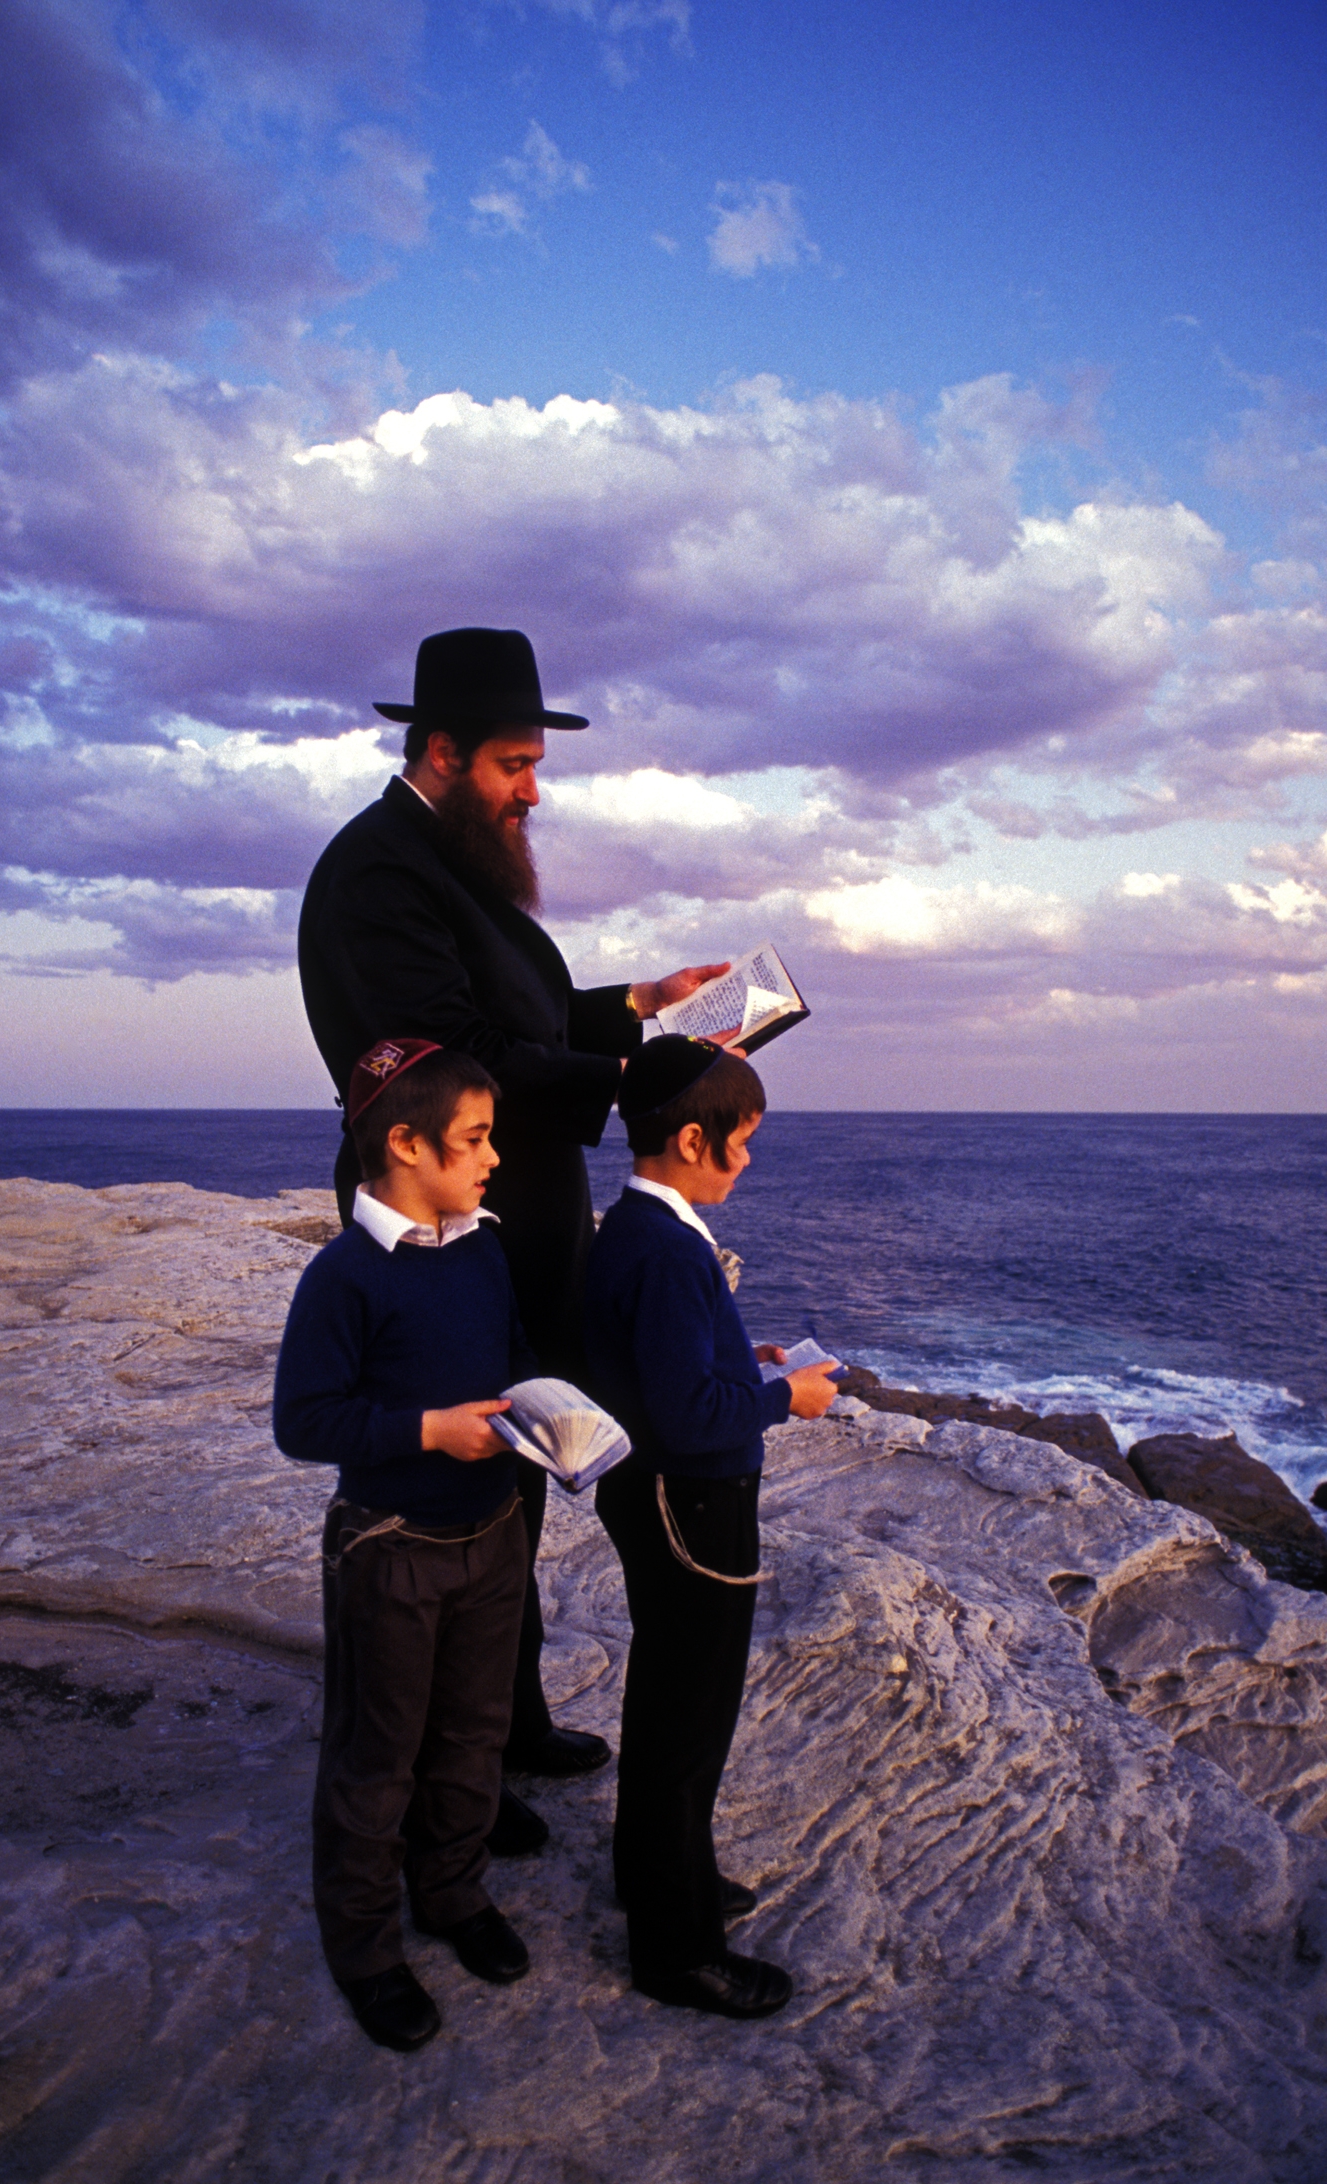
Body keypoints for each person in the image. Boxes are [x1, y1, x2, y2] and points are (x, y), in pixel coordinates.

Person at [297, 626, 728, 1846]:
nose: (532, 789)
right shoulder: (381, 876)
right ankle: (456, 1773)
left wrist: (636, 1004)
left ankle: (505, 1719)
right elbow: (457, 1058)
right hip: (445, 1236)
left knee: (517, 1476)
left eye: (535, 763)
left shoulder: (446, 860)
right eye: (513, 764)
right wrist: (650, 1071)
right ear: (440, 751)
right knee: (453, 1492)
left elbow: (514, 1011)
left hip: (511, 1219)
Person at [273, 1036, 537, 2053]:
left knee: (472, 1733)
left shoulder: (482, 1245)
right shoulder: (343, 1278)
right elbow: (304, 1423)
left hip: (494, 1531)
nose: (491, 1157)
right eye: (473, 1139)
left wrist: (543, 1413)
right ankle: (366, 1948)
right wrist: (427, 1429)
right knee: (374, 1756)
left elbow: (508, 1356)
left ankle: (453, 1895)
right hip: (391, 1546)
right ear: (403, 1143)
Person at [583, 1036, 840, 2018]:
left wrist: (750, 1359)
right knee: (686, 1722)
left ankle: (664, 1875)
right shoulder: (664, 1249)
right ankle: (674, 1947)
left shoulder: (646, 1234)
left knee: (671, 1706)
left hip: (670, 1499)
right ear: (693, 1139)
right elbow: (687, 1415)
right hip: (688, 1506)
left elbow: (674, 1370)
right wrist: (787, 1401)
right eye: (743, 1141)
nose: (749, 1159)